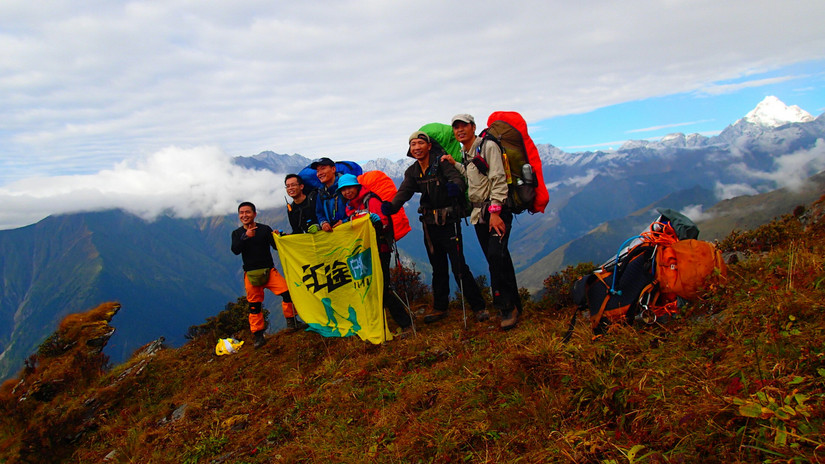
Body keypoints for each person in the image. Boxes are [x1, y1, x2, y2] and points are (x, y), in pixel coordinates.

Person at [381, 131, 488, 324]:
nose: (416, 148)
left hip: (449, 222)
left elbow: (458, 180)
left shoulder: (442, 163)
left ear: (429, 146)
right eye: (413, 144)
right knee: (437, 267)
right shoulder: (413, 171)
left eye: (420, 143)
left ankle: (478, 307)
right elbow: (404, 192)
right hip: (429, 226)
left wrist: (455, 186)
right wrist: (391, 207)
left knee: (459, 266)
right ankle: (440, 307)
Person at [445, 114, 522, 330]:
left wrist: (496, 211)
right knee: (499, 258)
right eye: (456, 127)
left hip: (495, 212)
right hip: (479, 215)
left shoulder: (487, 146)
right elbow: (474, 178)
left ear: (473, 127)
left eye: (464, 126)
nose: (460, 130)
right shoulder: (468, 153)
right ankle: (515, 305)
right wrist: (456, 165)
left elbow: (498, 177)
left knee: (496, 256)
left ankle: (506, 307)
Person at [338, 174, 413, 337]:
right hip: (364, 252)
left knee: (382, 287)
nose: (347, 192)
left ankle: (406, 323)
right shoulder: (350, 206)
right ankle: (381, 322)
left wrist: (378, 222)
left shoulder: (371, 201)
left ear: (357, 187)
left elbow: (385, 225)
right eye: (343, 190)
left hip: (380, 249)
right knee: (372, 287)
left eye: (349, 188)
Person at [231, 202, 307, 348]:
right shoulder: (237, 233)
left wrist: (281, 237)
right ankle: (258, 335)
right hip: (251, 274)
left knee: (287, 293)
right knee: (254, 306)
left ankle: (292, 321)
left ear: (254, 214)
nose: (244, 215)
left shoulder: (264, 230)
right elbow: (235, 250)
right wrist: (245, 237)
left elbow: (275, 246)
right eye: (241, 213)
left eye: (247, 212)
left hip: (269, 271)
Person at [311, 157, 349, 232]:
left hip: (350, 231)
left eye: (323, 168)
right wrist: (324, 223)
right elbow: (319, 213)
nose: (319, 173)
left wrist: (344, 222)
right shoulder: (321, 193)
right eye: (318, 171)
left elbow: (356, 209)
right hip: (334, 235)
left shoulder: (346, 187)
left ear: (333, 169)